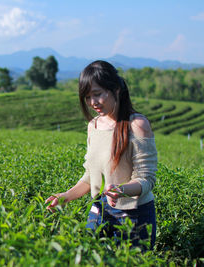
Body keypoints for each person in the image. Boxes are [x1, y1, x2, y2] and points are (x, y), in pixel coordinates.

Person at [45, 60, 157, 249]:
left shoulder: (137, 125)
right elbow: (90, 177)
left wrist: (121, 190)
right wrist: (65, 196)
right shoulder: (93, 126)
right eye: (87, 97)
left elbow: (146, 179)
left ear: (116, 90)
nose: (92, 103)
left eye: (97, 95)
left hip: (134, 216)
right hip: (100, 209)